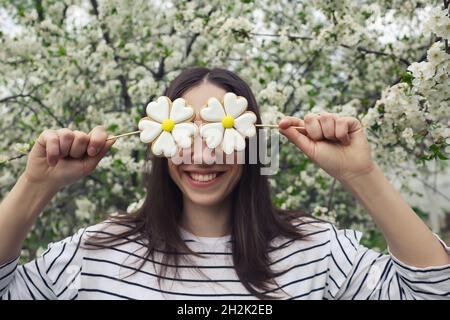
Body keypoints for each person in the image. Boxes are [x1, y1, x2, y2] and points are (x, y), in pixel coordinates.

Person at [0, 67, 449, 300]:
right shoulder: (94, 254)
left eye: (218, 132)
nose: (202, 153)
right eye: (184, 130)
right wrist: (36, 184)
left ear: (250, 140)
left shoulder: (318, 252)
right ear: (159, 137)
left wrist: (361, 175)